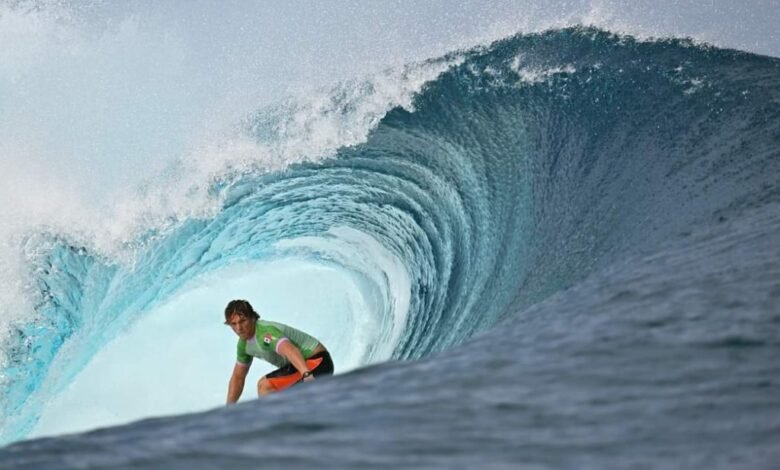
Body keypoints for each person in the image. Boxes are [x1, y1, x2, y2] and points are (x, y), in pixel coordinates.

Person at [224, 299, 334, 404]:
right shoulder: (243, 345)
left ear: (252, 318)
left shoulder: (264, 333)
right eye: (233, 324)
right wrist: (228, 409)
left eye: (242, 321)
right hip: (304, 366)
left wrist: (306, 373)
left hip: (317, 362)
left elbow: (289, 349)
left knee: (265, 386)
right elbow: (238, 377)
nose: (239, 328)